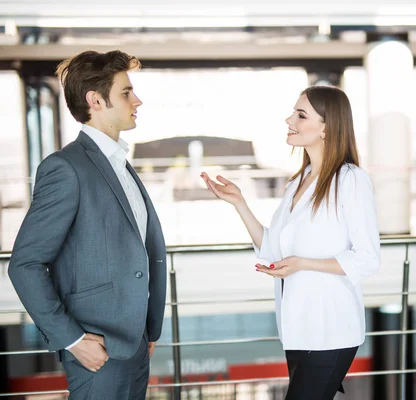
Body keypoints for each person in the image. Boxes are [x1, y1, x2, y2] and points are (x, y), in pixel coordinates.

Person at [201, 85, 380, 399]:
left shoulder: (350, 179)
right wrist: (239, 203)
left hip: (330, 329)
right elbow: (273, 250)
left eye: (300, 115)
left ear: (326, 128)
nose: (289, 120)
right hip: (297, 330)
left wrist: (303, 264)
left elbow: (367, 259)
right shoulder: (299, 180)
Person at [8, 50, 167, 399]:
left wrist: (147, 332)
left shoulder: (120, 163)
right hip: (97, 349)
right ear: (95, 100)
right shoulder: (65, 168)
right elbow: (25, 264)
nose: (136, 100)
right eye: (126, 92)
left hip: (136, 343)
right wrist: (73, 340)